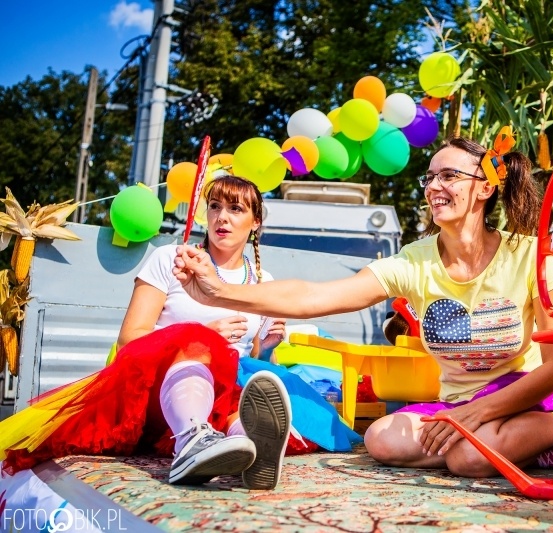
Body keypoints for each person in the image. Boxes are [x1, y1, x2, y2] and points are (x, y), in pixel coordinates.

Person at [173, 130, 553, 478]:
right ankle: (508, 447)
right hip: (458, 406)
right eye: (430, 177)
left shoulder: (531, 256)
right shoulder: (415, 261)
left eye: (449, 176)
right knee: (382, 439)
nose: (434, 186)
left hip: (529, 399)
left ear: (485, 187)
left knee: (469, 459)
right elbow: (316, 296)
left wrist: (477, 414)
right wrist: (220, 291)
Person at [0, 175, 357, 489]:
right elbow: (130, 337)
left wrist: (264, 348)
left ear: (255, 222)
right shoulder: (172, 259)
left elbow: (255, 361)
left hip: (226, 389)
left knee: (249, 391)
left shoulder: (265, 282)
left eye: (235, 209)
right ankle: (191, 439)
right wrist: (203, 335)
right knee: (196, 344)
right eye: (215, 206)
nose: (222, 217)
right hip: (160, 391)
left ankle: (251, 449)